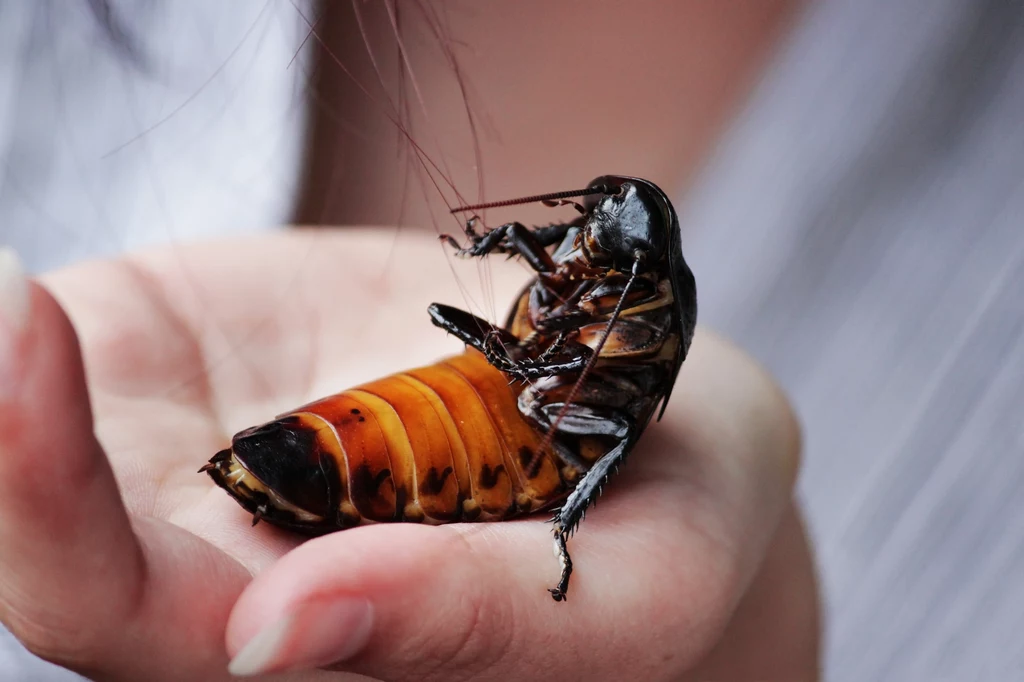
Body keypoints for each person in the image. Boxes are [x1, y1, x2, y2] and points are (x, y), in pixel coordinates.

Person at [0, 1, 820, 679]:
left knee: (539, 387)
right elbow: (537, 258)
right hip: (497, 386)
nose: (575, 245)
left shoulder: (642, 320)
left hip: (549, 438)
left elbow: (616, 428)